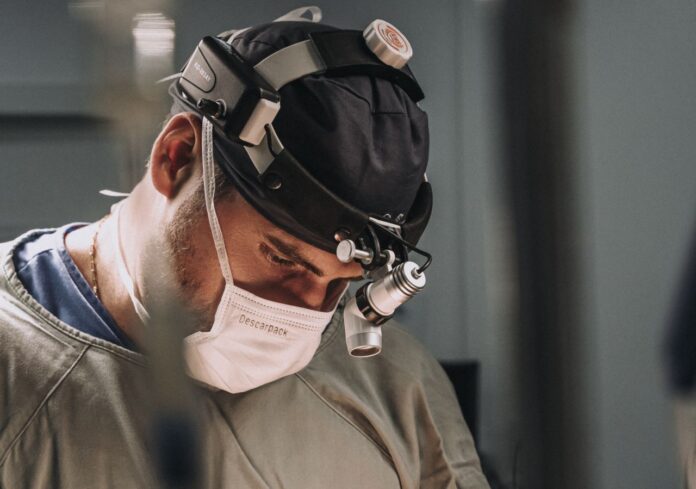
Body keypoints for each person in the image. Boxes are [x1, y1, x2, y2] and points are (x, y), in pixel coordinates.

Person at [0, 11, 490, 489]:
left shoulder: (393, 384)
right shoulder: (14, 372)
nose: (305, 313)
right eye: (283, 258)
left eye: (341, 283)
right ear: (177, 158)